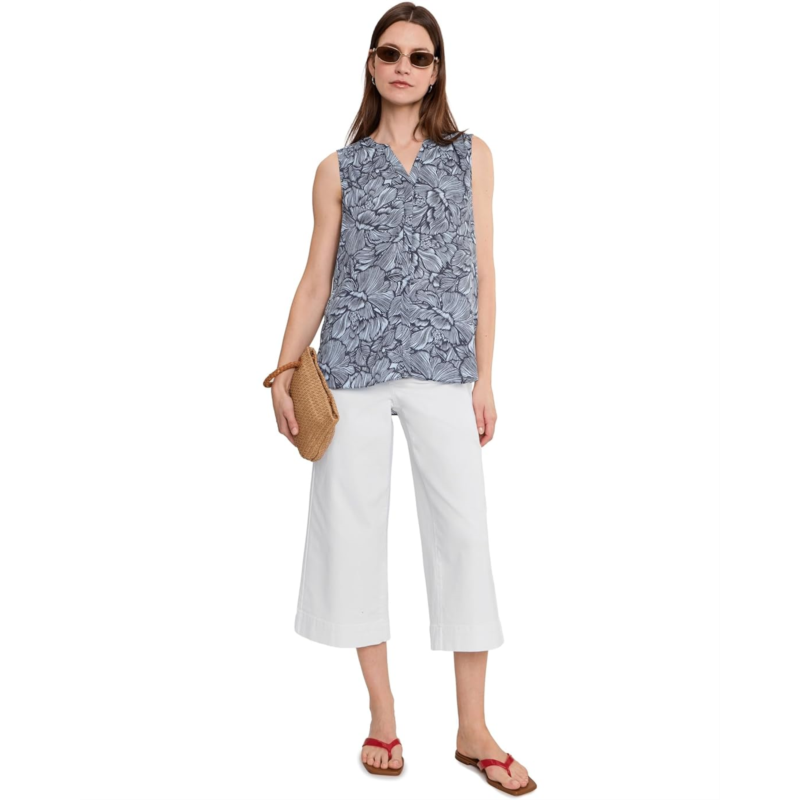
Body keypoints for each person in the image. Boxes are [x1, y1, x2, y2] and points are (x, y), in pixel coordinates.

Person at [269, 3, 535, 794]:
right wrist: (281, 370)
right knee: (352, 535)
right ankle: (383, 713)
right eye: (390, 53)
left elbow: (485, 270)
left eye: (420, 57)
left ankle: (472, 726)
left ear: (437, 70)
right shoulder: (338, 168)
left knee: (464, 537)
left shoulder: (472, 156)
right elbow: (316, 279)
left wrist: (486, 376)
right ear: (371, 62)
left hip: (445, 368)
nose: (403, 67)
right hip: (351, 369)